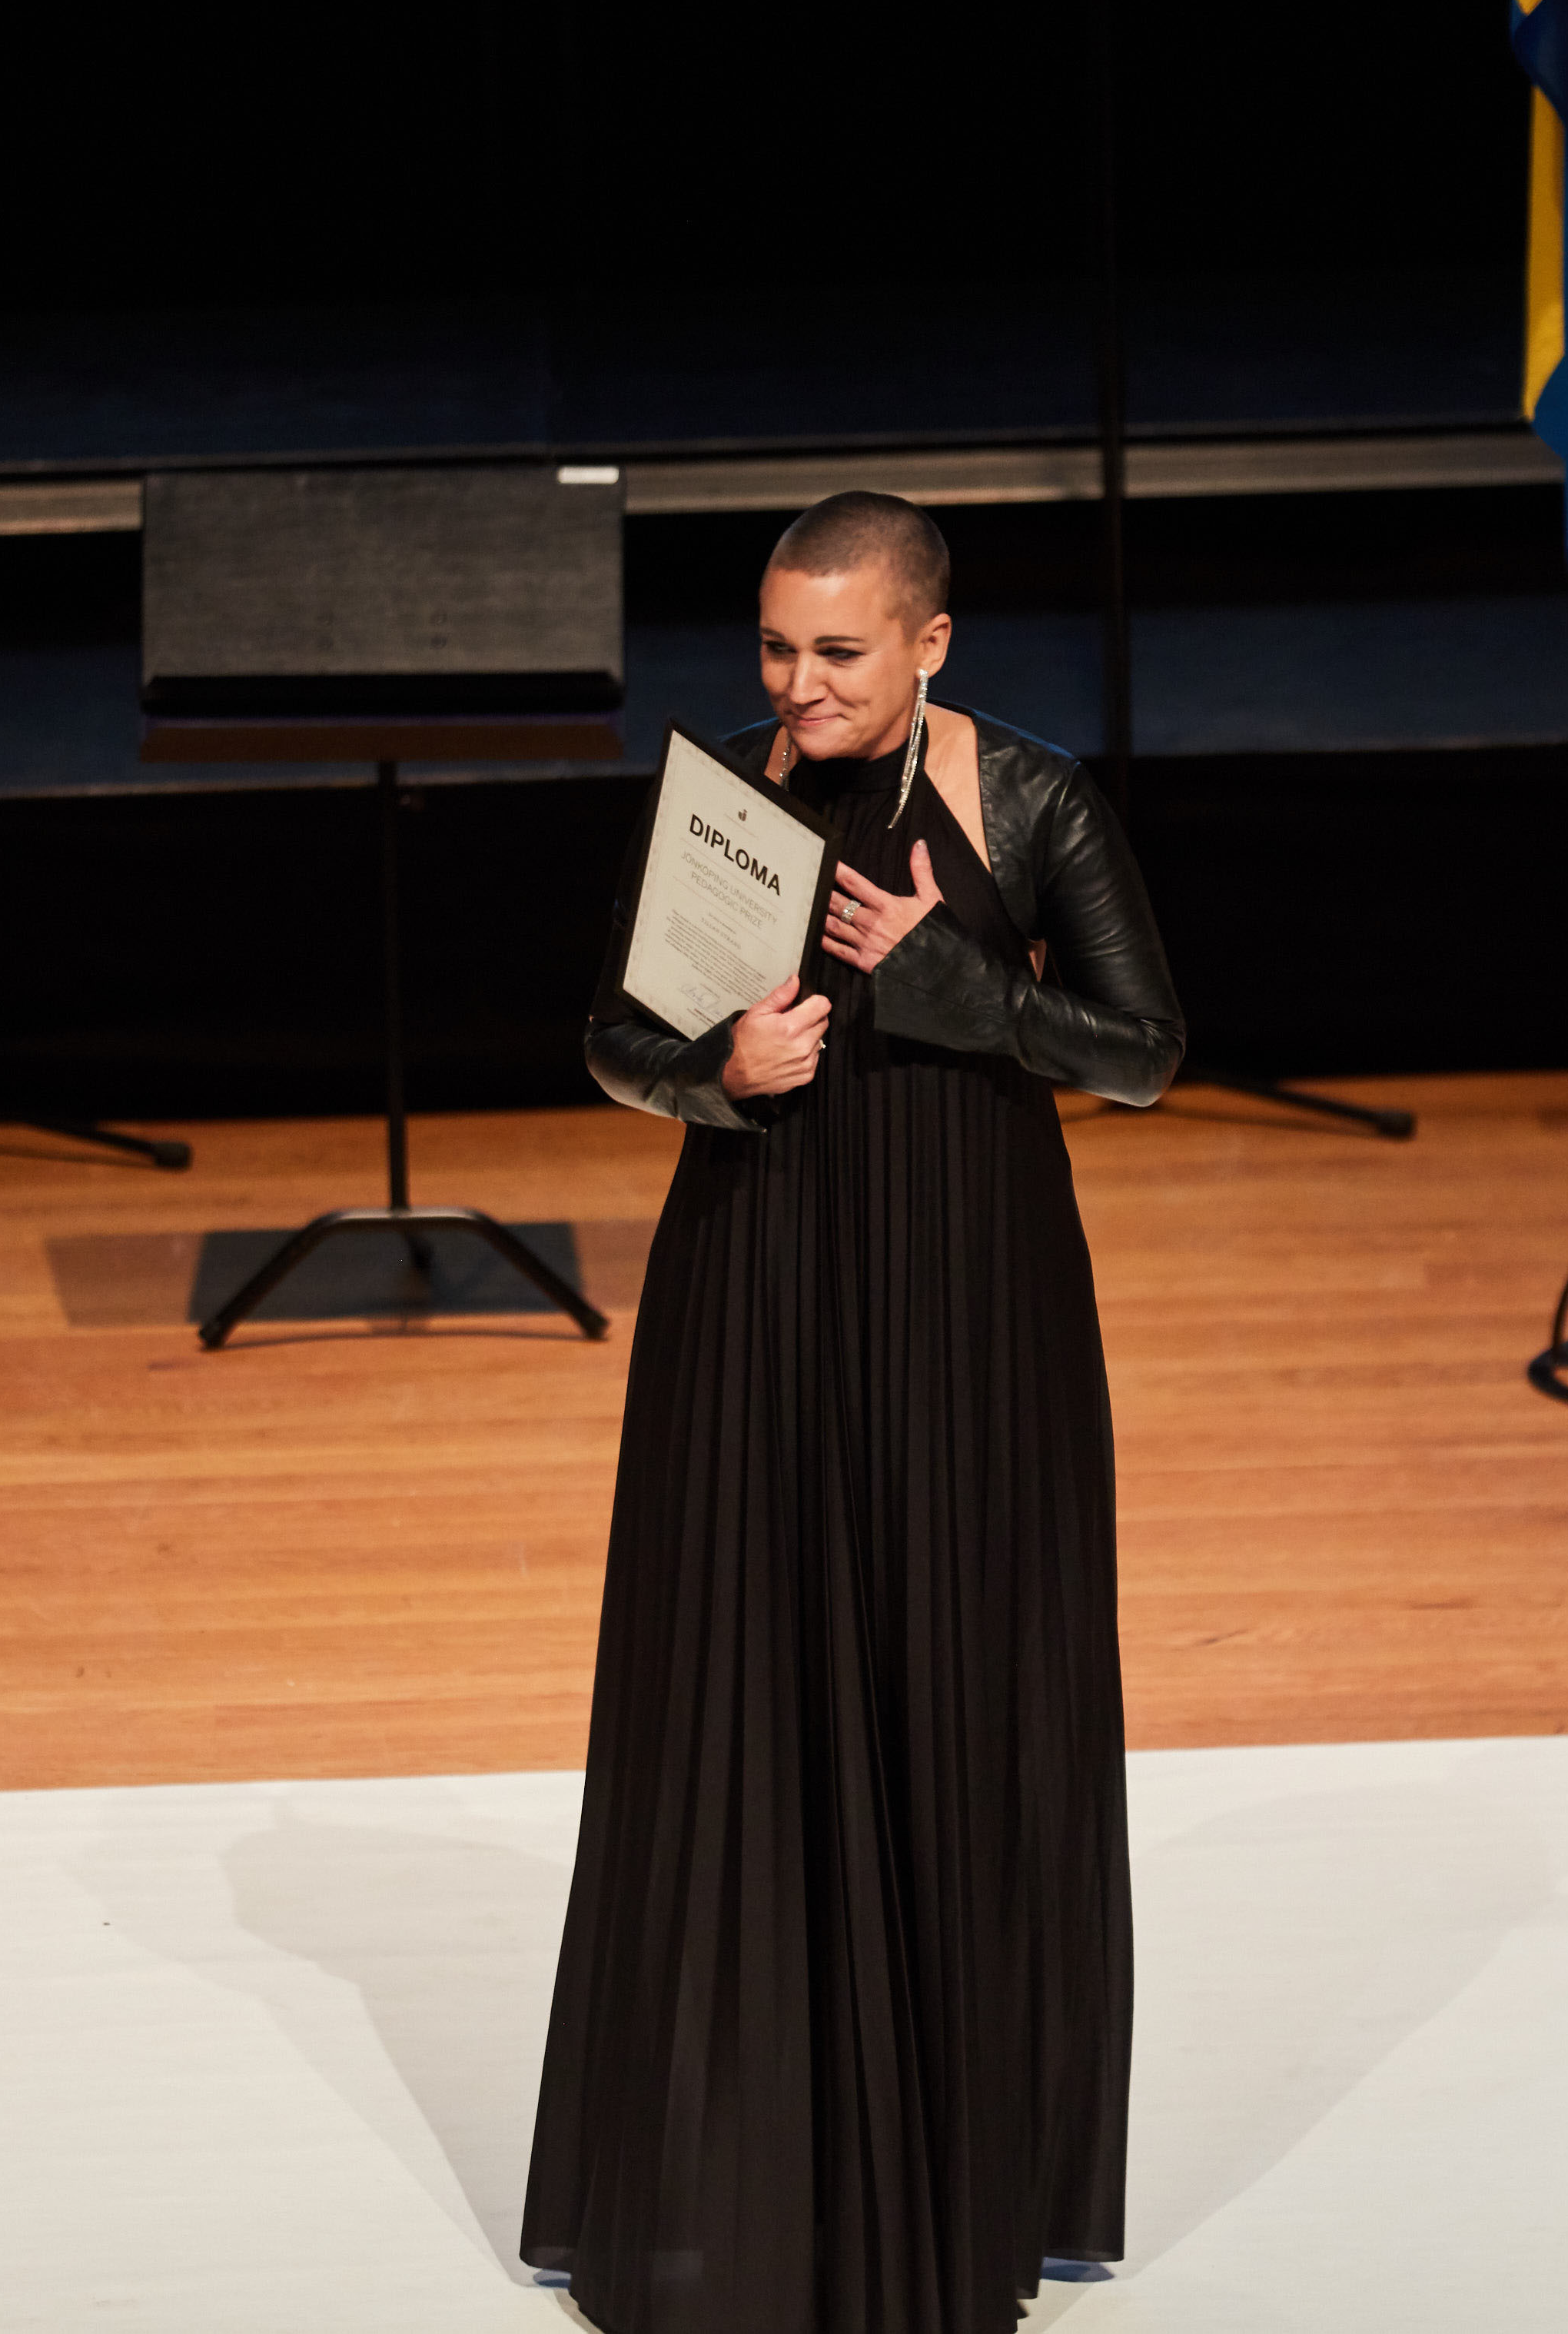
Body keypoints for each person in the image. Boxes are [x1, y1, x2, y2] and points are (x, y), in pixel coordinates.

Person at [528, 490, 1184, 2332]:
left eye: (835, 650)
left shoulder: (1031, 802)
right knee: (750, 1667)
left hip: (969, 1295)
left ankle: (961, 2175)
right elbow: (611, 1040)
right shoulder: (720, 806)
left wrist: (967, 991)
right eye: (773, 646)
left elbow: (1145, 1051)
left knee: (954, 1674)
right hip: (757, 1278)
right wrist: (719, 1068)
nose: (795, 684)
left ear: (928, 642)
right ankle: (759, 2149)